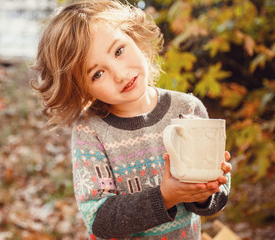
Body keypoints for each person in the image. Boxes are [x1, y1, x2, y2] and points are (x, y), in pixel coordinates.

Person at [31, 0, 232, 239]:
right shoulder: (91, 131)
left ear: (134, 37)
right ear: (82, 89)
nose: (119, 74)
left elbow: (215, 198)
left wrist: (205, 192)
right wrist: (165, 196)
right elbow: (100, 220)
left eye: (118, 51)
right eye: (97, 73)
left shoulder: (188, 109)